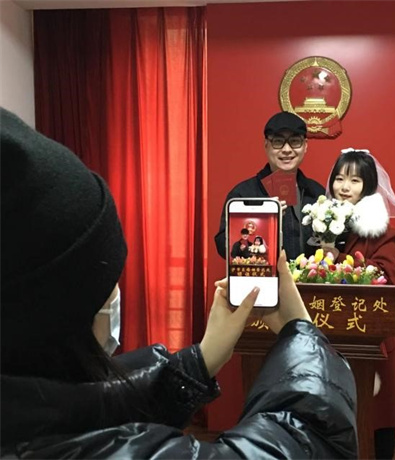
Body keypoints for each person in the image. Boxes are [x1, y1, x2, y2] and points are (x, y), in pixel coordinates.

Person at [0, 108, 358, 459]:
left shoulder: (37, 414)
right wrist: (302, 330)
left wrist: (201, 361)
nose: (117, 292)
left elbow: (101, 403)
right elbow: (308, 441)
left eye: (295, 141)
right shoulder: (244, 191)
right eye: (110, 278)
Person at [324, 148, 395, 460]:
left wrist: (337, 260)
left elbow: (384, 274)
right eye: (339, 179)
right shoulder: (324, 224)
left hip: (369, 333)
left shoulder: (383, 231)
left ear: (368, 186)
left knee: (378, 410)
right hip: (332, 331)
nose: (344, 187)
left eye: (354, 180)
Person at [215, 111, 324, 260]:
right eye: (278, 142)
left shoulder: (317, 193)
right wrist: (262, 219)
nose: (287, 149)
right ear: (266, 145)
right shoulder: (243, 194)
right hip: (261, 274)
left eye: (295, 141)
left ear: (305, 146)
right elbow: (223, 246)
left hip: (308, 274)